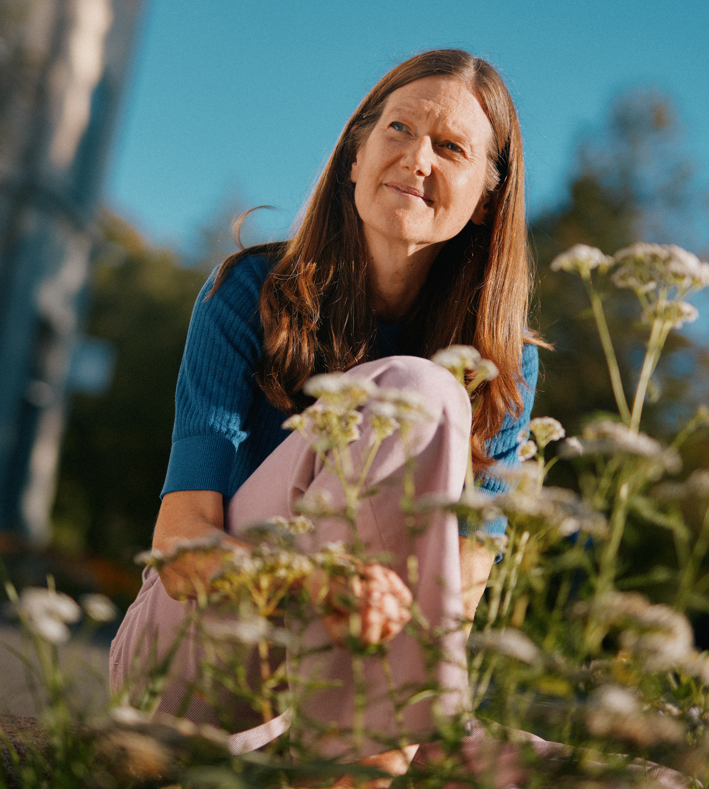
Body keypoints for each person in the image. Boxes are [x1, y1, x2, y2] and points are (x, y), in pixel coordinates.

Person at [110, 48, 540, 782]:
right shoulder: (249, 293)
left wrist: (409, 728)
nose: (416, 158)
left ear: (488, 198)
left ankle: (365, 754)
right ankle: (365, 758)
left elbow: (455, 604)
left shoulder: (505, 364)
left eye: (451, 147)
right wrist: (314, 584)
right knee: (419, 389)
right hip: (196, 665)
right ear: (354, 156)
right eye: (399, 130)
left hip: (375, 695)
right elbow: (181, 550)